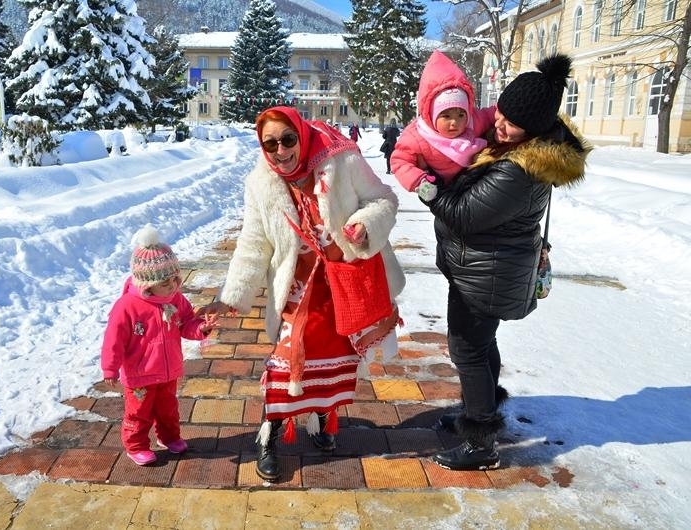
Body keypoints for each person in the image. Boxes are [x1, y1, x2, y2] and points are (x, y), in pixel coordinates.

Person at [196, 106, 405, 482]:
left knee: (336, 357)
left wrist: (362, 225)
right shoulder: (260, 183)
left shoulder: (341, 160)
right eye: (270, 143)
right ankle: (270, 437)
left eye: (288, 139)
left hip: (343, 284)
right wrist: (231, 296)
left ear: (301, 134)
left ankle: (324, 419)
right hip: (295, 288)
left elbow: (384, 200)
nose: (281, 150)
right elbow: (253, 243)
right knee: (286, 362)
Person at [421, 54, 591, 471]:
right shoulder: (524, 149)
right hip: (486, 269)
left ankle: (480, 443)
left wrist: (429, 189)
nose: (499, 124)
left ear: (531, 130)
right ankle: (481, 412)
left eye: (511, 123)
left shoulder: (519, 170)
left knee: (468, 349)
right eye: (502, 113)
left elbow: (463, 213)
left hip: (486, 274)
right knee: (481, 344)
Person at [101, 225, 218, 466]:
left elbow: (186, 323)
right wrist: (110, 368)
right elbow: (114, 340)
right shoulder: (127, 307)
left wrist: (200, 329)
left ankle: (169, 437)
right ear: (147, 283)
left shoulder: (175, 299)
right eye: (166, 282)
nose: (174, 285)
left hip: (168, 371)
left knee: (168, 409)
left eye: (176, 278)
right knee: (139, 412)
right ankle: (136, 445)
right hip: (140, 375)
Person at [391, 50, 496, 199]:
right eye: (446, 116)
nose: (455, 122)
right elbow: (399, 161)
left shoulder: (473, 122)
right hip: (444, 194)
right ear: (432, 115)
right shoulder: (418, 135)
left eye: (461, 115)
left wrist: (509, 109)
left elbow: (492, 114)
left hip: (472, 191)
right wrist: (419, 182)